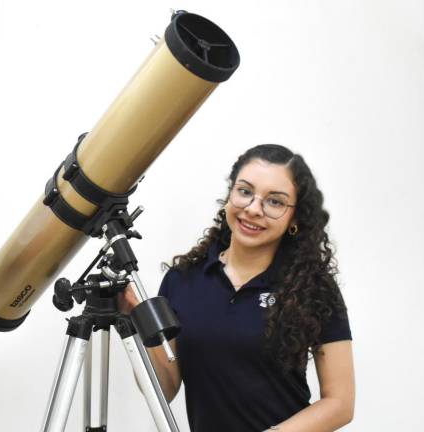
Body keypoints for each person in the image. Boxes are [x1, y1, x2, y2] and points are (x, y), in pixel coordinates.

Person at [122, 144, 354, 432]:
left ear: (294, 218)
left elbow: (340, 403)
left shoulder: (313, 287)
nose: (254, 209)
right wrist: (138, 322)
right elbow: (164, 390)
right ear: (229, 195)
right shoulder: (182, 280)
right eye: (245, 191)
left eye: (275, 201)